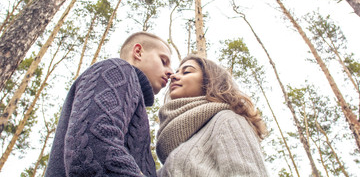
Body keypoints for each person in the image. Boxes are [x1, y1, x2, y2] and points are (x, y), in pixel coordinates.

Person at [45, 32, 173, 177]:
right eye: (163, 61)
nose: (171, 72)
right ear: (138, 52)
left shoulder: (132, 94)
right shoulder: (118, 70)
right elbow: (94, 147)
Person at [156, 55, 269, 177]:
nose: (173, 76)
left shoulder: (228, 120)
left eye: (187, 71)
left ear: (209, 81)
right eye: (177, 72)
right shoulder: (173, 140)